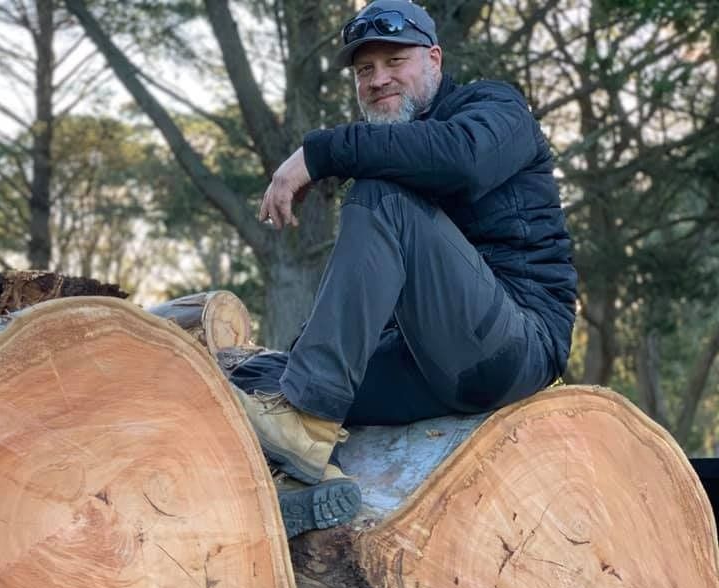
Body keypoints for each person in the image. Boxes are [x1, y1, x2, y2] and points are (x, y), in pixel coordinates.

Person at [232, 0, 578, 538]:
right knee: (260, 377)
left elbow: (461, 160)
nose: (377, 80)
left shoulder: (496, 109)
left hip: (515, 344)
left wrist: (319, 153)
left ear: (434, 59)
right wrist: (301, 358)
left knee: (380, 194)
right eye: (364, 70)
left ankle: (303, 437)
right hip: (428, 359)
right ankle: (306, 485)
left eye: (395, 61)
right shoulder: (395, 149)